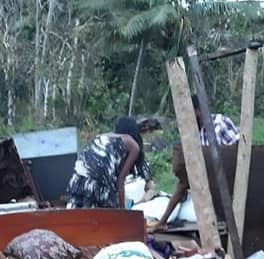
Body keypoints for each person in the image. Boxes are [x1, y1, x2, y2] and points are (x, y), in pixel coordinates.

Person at [149, 95, 239, 233]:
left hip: (230, 185)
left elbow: (239, 153)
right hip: (213, 189)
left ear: (197, 111)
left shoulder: (220, 123)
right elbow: (185, 182)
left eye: (187, 113)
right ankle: (163, 222)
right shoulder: (197, 133)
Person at [66, 116, 151, 209]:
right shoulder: (132, 144)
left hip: (77, 183)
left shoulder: (101, 136)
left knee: (77, 218)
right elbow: (120, 181)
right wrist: (123, 212)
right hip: (99, 187)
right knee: (108, 218)